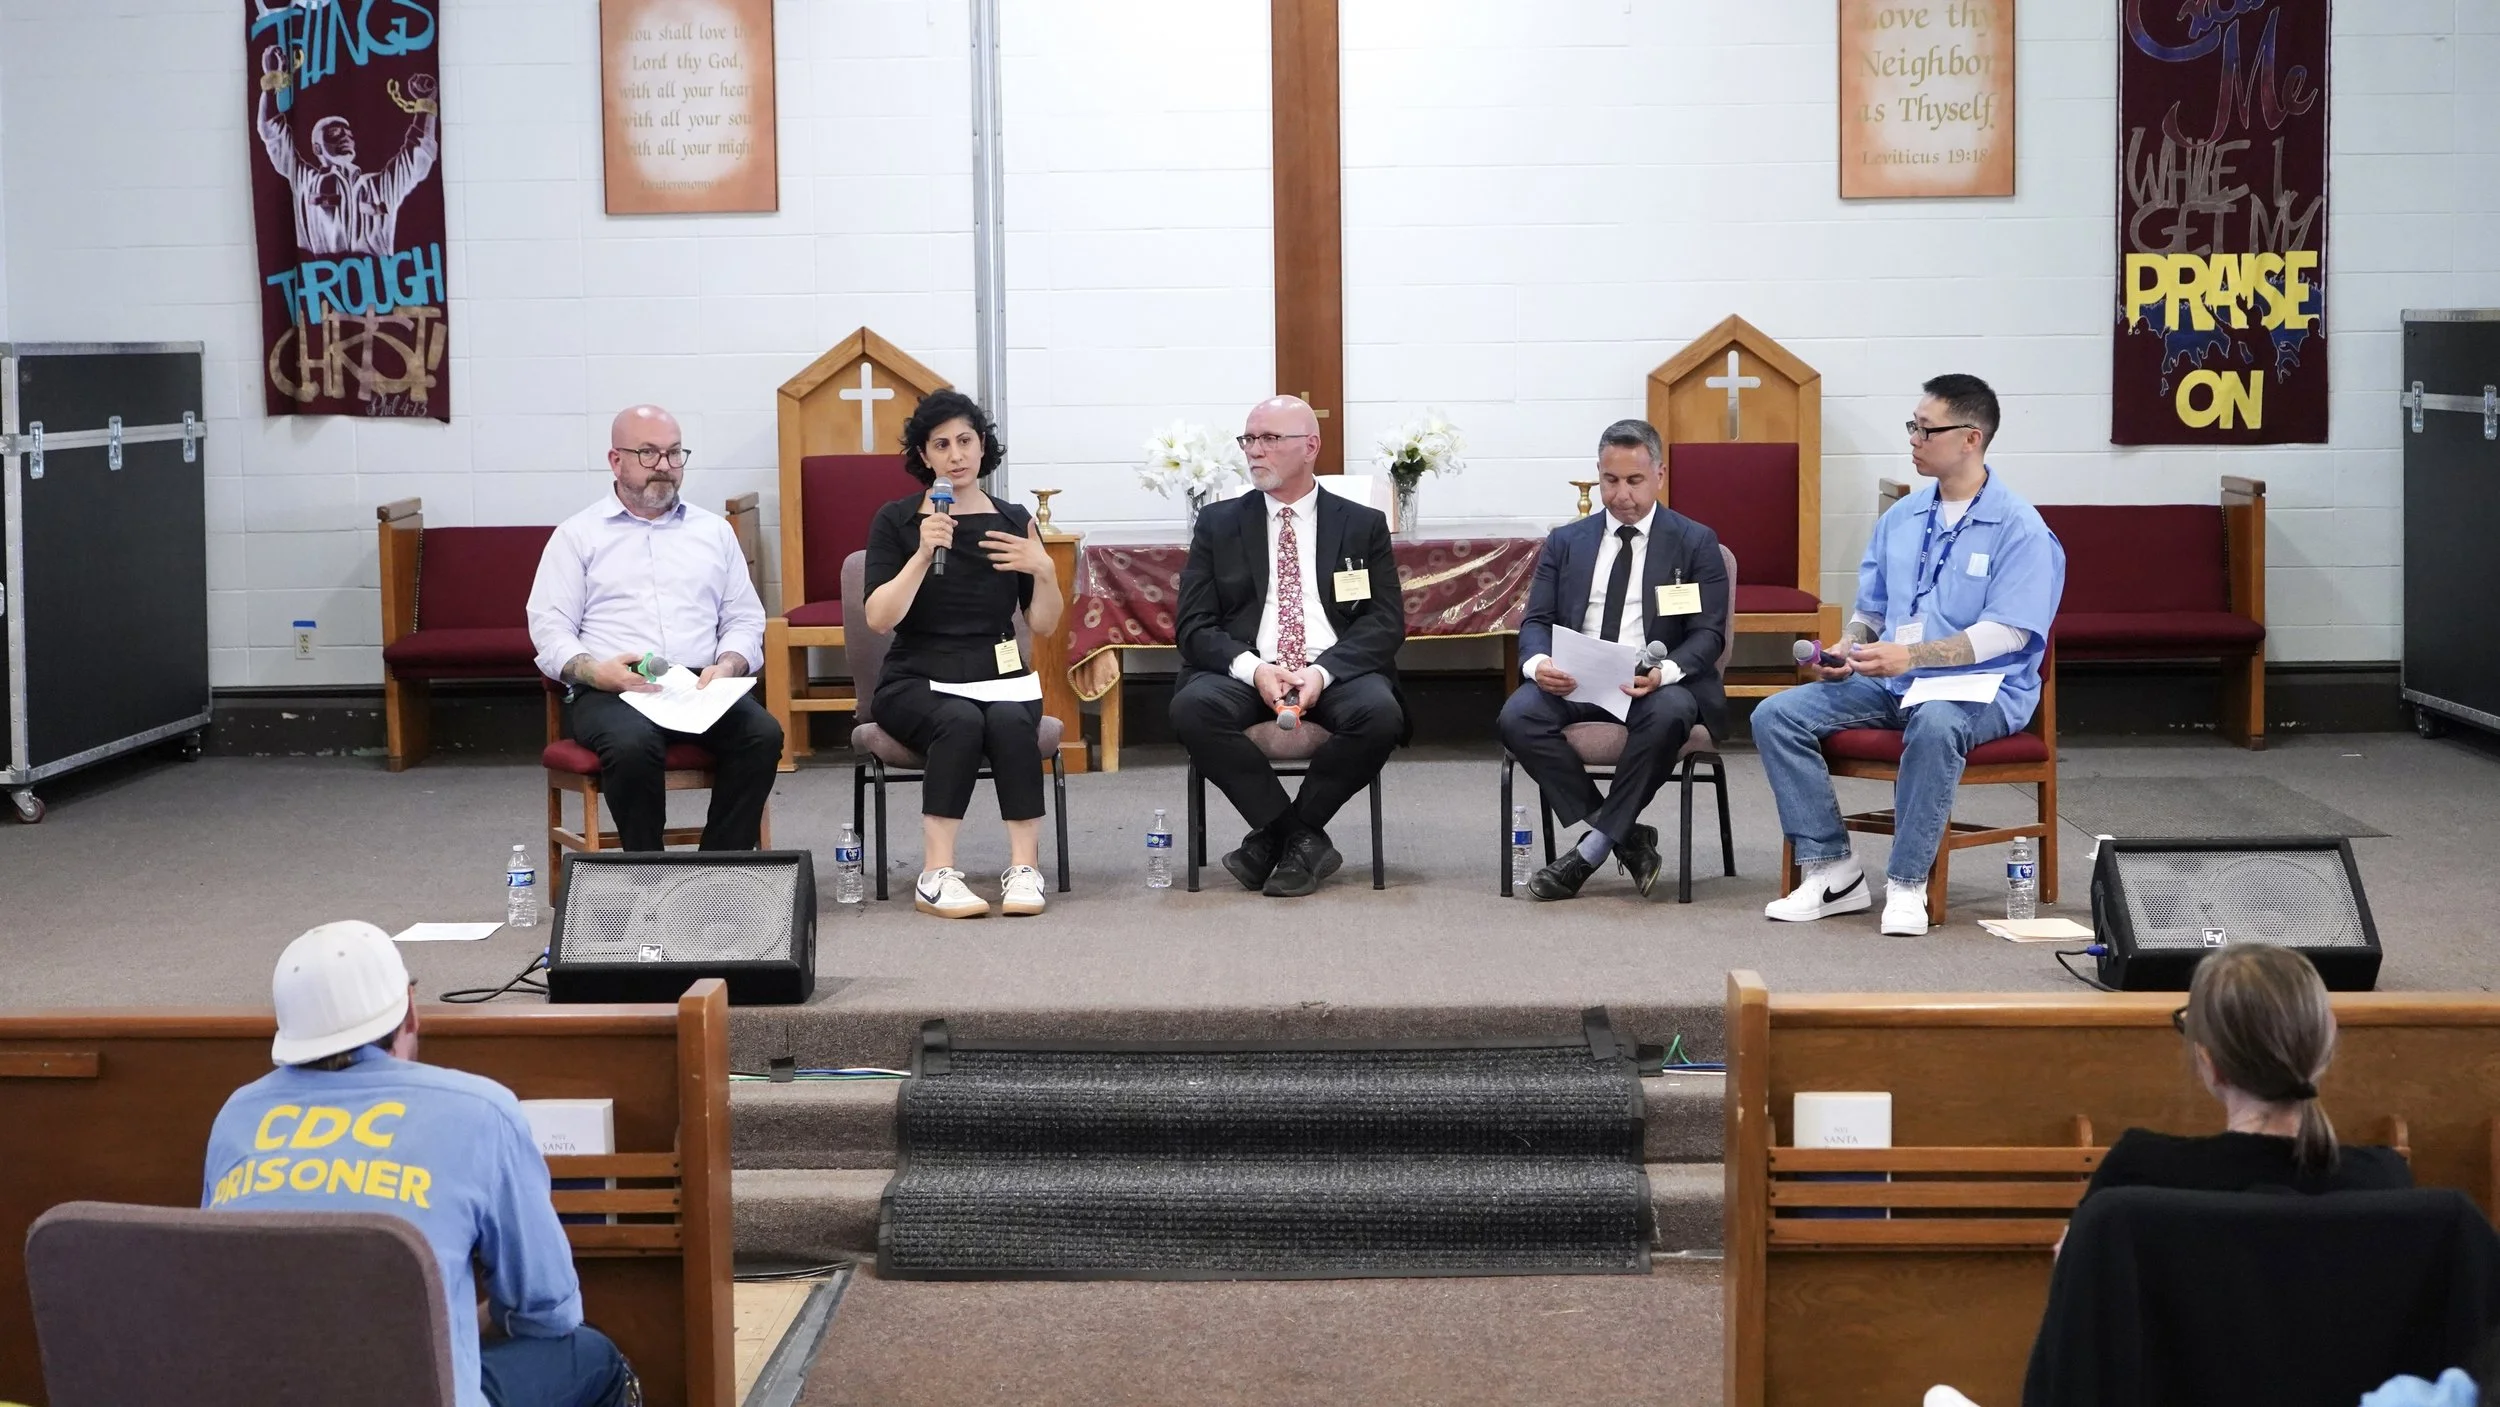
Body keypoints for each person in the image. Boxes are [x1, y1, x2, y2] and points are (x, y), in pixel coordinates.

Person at [202, 922, 639, 1407]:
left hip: (262, 1391)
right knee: (594, 1358)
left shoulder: (236, 1116)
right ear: (410, 1010)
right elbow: (546, 1311)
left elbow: (224, 1295)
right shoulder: (480, 1110)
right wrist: (446, 1329)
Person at [1753, 374, 2066, 936]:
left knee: (1937, 721)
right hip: (1896, 683)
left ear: (1971, 438)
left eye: (1926, 429)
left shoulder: (2020, 527)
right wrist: (1848, 646)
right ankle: (1832, 869)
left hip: (1982, 690)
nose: (1914, 439)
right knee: (1775, 714)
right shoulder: (1902, 517)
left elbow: (2012, 634)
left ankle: (1905, 882)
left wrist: (1913, 656)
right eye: (1912, 426)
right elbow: (1871, 611)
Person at [1169, 395, 1407, 898]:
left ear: (1310, 447)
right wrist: (1253, 669)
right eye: (1249, 439)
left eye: (1270, 439)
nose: (1255, 451)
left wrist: (1322, 674)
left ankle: (1274, 841)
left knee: (1381, 714)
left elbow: (1384, 622)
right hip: (1249, 668)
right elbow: (1193, 625)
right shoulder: (1218, 524)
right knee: (1193, 708)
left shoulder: (1360, 524)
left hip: (1330, 667)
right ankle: (1297, 839)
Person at [527, 405, 780, 853]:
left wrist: (729, 663)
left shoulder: (713, 532)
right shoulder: (578, 535)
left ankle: (719, 874)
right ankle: (648, 875)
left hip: (700, 684)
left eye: (674, 453)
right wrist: (594, 671)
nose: (664, 466)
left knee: (762, 734)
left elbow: (743, 616)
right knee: (632, 745)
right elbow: (549, 627)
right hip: (615, 690)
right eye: (647, 453)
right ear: (615, 460)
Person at [1498, 419, 1729, 900]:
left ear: (1660, 475)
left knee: (1671, 714)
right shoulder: (1566, 541)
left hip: (1652, 683)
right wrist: (1538, 664)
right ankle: (1625, 834)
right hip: (1577, 680)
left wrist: (1664, 673)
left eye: (1634, 481)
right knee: (1516, 717)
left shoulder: (1694, 542)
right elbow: (1536, 620)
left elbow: (1707, 634)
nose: (1621, 494)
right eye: (1610, 480)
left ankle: (1591, 850)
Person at [860, 389, 1062, 920]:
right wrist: (924, 553)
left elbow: (1042, 624)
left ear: (983, 446)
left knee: (1012, 722)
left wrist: (1044, 570)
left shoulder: (1015, 519)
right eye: (942, 444)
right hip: (917, 676)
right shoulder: (898, 521)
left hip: (998, 673)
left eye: (966, 441)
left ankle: (1024, 868)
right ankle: (937, 873)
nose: (957, 455)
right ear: (924, 456)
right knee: (958, 721)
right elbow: (880, 618)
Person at [2081, 942, 2410, 1203]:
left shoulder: (2137, 1173)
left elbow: (2077, 1276)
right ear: (2326, 1045)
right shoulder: (2384, 1181)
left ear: (2212, 1063)